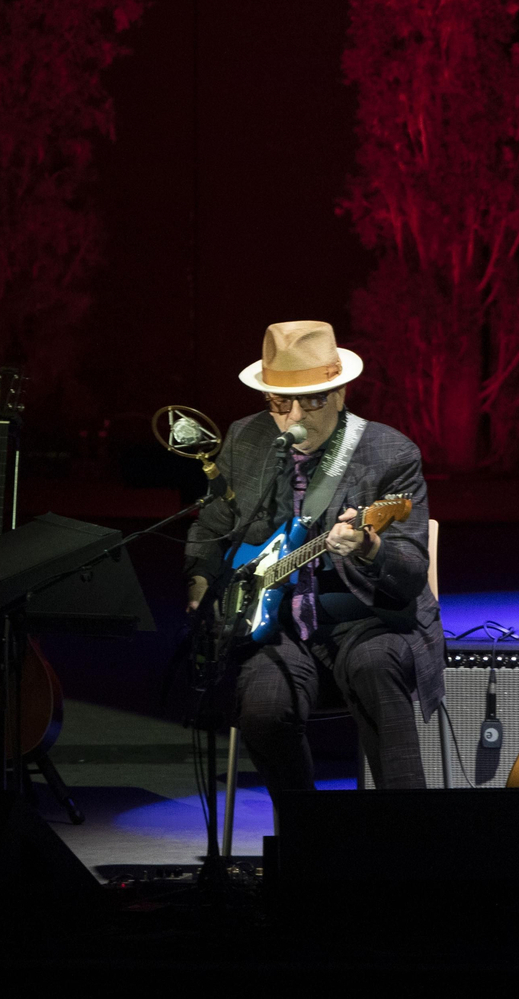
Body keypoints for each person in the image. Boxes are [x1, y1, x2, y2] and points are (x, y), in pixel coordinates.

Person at [185, 320, 444, 791]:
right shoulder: (245, 439)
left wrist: (370, 547)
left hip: (367, 619)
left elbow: (410, 573)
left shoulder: (390, 452)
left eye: (312, 400)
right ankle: (308, 829)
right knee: (263, 711)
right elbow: (210, 527)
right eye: (280, 403)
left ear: (341, 394)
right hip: (278, 626)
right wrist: (201, 585)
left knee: (377, 668)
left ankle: (409, 828)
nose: (294, 417)